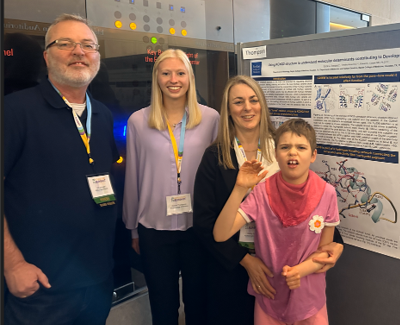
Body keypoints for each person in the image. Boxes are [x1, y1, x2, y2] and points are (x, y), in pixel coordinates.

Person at [193, 75, 344, 325]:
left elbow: (313, 201)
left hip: (287, 266)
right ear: (228, 110)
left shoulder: (283, 145)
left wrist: (335, 245)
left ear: (262, 104)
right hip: (232, 264)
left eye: (253, 100)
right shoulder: (216, 155)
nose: (247, 107)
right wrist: (246, 261)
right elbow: (204, 222)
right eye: (238, 102)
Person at [4, 14, 119, 325]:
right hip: (39, 289)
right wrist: (12, 265)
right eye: (65, 44)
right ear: (46, 55)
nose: (78, 52)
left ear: (97, 56)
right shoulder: (14, 112)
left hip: (97, 281)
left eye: (87, 45)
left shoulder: (104, 115)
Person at [123, 49, 219, 325]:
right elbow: (133, 178)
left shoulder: (211, 119)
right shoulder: (138, 122)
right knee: (163, 307)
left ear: (190, 77)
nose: (173, 79)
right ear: (157, 78)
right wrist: (132, 228)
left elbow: (218, 175)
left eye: (180, 73)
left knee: (199, 304)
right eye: (166, 73)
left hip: (198, 227)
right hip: (153, 229)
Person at [214, 118, 340, 324]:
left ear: (313, 155)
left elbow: (326, 251)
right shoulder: (262, 192)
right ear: (275, 155)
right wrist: (240, 189)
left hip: (309, 299)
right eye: (285, 147)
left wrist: (300, 271)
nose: (292, 152)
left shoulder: (327, 194)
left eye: (301, 147)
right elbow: (220, 234)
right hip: (270, 295)